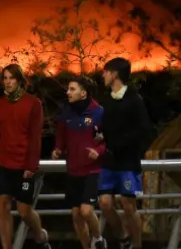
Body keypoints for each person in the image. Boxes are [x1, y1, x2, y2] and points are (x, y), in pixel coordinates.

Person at [0, 63, 51, 249]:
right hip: (2, 163)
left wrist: (31, 166)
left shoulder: (33, 103)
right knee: (2, 206)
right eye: (5, 78)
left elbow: (35, 137)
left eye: (11, 78)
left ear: (20, 80)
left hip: (23, 164)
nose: (7, 82)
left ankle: (41, 236)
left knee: (24, 212)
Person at [96, 58, 155, 249]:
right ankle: (123, 237)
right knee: (104, 203)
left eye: (106, 71)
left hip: (128, 161)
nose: (103, 75)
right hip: (110, 159)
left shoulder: (134, 100)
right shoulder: (107, 101)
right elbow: (106, 128)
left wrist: (133, 150)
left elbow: (145, 130)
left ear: (115, 74)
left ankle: (137, 246)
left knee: (128, 205)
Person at [52, 77, 107, 249]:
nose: (67, 92)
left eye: (72, 89)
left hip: (93, 171)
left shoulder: (99, 112)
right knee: (76, 215)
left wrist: (97, 152)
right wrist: (57, 149)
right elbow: (61, 136)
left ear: (83, 93)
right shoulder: (66, 112)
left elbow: (109, 139)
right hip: (73, 170)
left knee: (86, 210)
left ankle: (98, 239)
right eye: (68, 89)